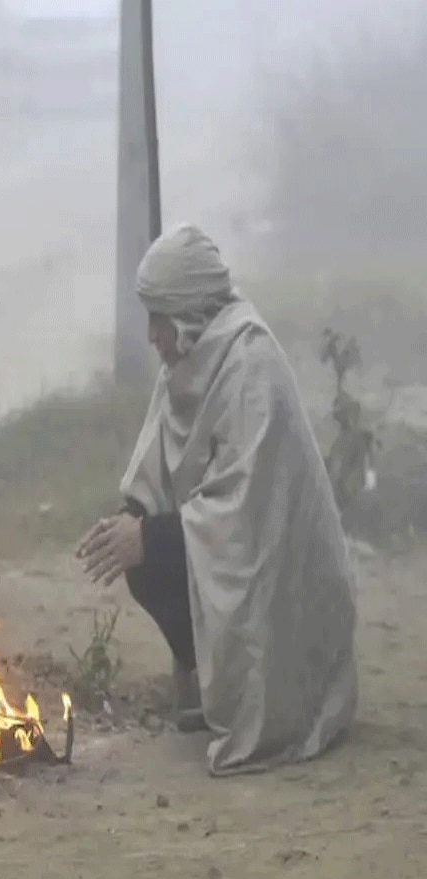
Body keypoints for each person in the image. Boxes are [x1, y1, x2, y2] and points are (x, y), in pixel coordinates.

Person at [76, 223, 358, 776]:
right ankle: (213, 683)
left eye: (159, 317)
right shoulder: (185, 358)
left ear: (187, 313)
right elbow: (153, 468)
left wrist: (150, 537)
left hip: (283, 586)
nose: (152, 334)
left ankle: (257, 697)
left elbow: (247, 517)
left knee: (154, 549)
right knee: (146, 560)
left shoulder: (251, 364)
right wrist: (129, 521)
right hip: (232, 553)